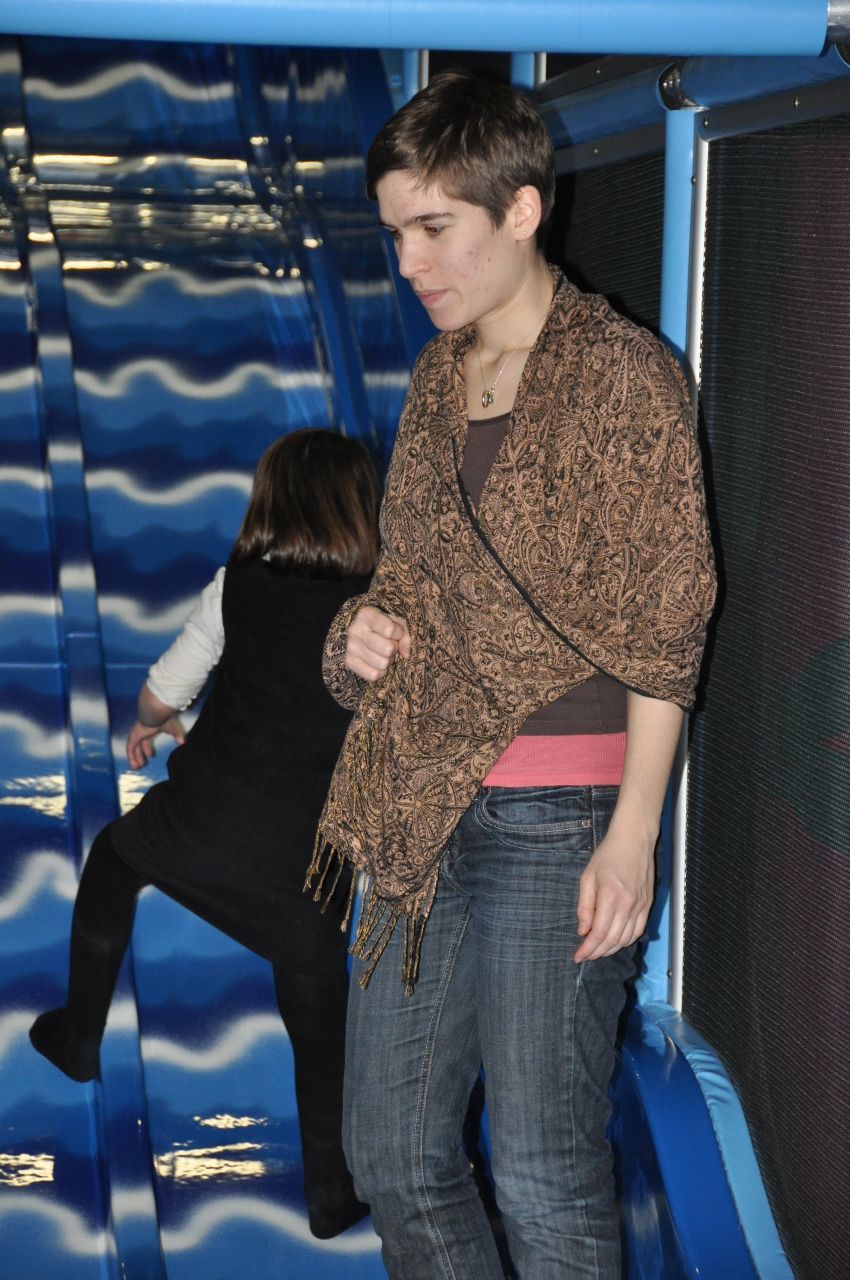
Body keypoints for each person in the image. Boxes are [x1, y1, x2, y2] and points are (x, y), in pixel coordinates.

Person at [306, 71, 717, 1278]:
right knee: (390, 1150)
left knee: (541, 1167)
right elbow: (407, 581)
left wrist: (632, 834)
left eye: (434, 227)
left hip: (561, 813)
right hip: (423, 801)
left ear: (522, 209)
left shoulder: (624, 374)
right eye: (396, 233)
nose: (408, 262)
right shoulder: (438, 379)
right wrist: (361, 633)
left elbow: (668, 620)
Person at [31, 428, 378, 1240]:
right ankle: (330, 1191)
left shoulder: (238, 587)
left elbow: (167, 687)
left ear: (267, 504)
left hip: (198, 826)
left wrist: (151, 723)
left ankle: (79, 1038)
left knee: (112, 858)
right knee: (318, 1013)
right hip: (308, 868)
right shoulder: (377, 619)